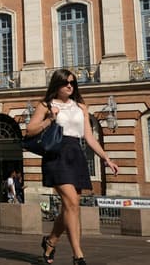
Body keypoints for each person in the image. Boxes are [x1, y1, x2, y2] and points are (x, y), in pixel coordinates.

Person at [27, 69, 119, 265]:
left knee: (70, 206)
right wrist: (50, 119)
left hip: (76, 153)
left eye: (73, 83)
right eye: (66, 83)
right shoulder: (46, 105)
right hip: (56, 155)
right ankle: (78, 255)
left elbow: (89, 137)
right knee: (72, 203)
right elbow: (30, 130)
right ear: (57, 85)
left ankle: (50, 241)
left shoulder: (81, 107)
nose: (70, 86)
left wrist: (106, 158)